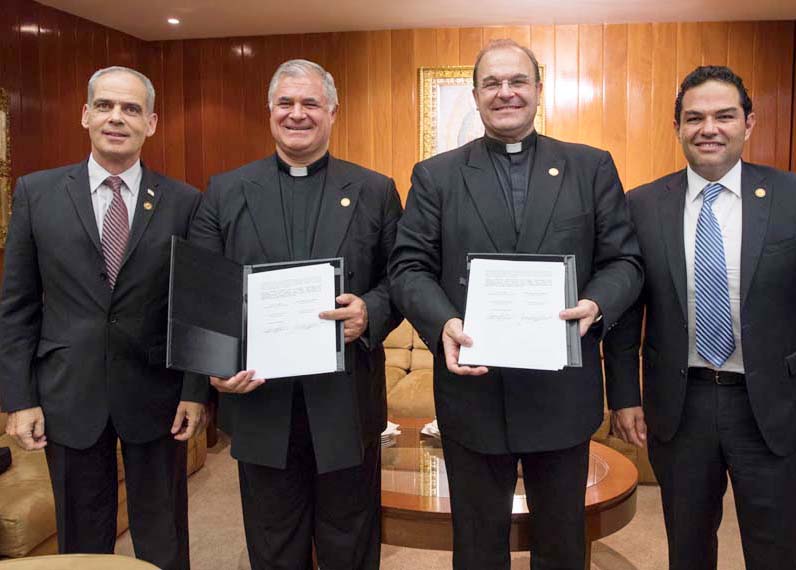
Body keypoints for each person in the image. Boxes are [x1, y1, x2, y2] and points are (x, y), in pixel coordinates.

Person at [388, 39, 643, 569]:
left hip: (561, 396)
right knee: (478, 548)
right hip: (473, 394)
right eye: (492, 84)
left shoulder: (590, 167)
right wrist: (444, 323)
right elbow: (408, 268)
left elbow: (625, 263)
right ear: (476, 95)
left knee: (562, 545)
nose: (505, 93)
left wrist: (596, 303)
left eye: (517, 81)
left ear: (538, 91)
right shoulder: (435, 176)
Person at [603, 65, 796, 570]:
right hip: (682, 404)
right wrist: (625, 395)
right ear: (677, 128)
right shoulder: (644, 204)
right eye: (694, 118)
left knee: (777, 549)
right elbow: (627, 315)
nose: (708, 128)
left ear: (749, 123)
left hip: (774, 409)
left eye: (724, 115)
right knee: (688, 548)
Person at [189, 59, 402, 570]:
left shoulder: (375, 189)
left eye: (310, 103)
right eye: (285, 103)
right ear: (269, 112)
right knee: (273, 546)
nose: (297, 114)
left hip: (346, 402)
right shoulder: (226, 191)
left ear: (332, 111)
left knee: (350, 544)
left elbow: (403, 278)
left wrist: (369, 311)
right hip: (262, 402)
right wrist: (215, 364)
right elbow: (203, 291)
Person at [0, 66, 207, 570]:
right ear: (85, 115)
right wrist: (19, 399)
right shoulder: (36, 193)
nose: (118, 118)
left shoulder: (184, 201)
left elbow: (196, 307)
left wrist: (194, 390)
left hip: (157, 396)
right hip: (68, 395)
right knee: (82, 542)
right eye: (106, 106)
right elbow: (17, 306)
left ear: (152, 123)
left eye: (132, 109)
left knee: (164, 538)